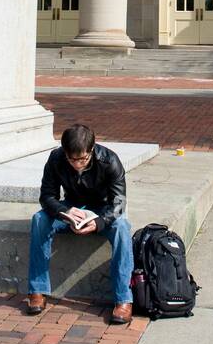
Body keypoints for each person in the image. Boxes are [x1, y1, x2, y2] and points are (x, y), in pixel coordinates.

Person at [26, 123, 133, 325]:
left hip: (103, 210)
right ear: (65, 152)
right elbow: (47, 196)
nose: (77, 164)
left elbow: (119, 203)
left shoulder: (110, 160)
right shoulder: (56, 158)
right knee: (39, 219)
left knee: (122, 229)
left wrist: (100, 222)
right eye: (72, 159)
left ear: (92, 150)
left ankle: (123, 300)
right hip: (71, 207)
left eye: (82, 158)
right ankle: (37, 290)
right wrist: (64, 212)